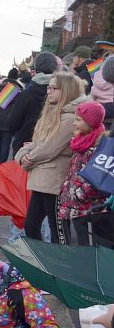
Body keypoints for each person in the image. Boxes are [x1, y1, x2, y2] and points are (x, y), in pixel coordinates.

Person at [15, 73, 85, 242]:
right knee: (31, 226)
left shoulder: (70, 119)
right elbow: (36, 142)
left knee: (58, 231)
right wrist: (22, 155)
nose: (49, 92)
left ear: (67, 91)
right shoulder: (51, 114)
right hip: (42, 179)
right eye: (49, 87)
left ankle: (58, 266)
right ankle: (43, 262)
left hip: (55, 182)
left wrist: (28, 158)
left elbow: (50, 148)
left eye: (54, 88)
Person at [57, 101, 109, 244]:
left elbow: (97, 179)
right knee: (77, 245)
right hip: (74, 204)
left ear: (90, 122)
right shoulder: (80, 141)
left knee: (87, 247)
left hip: (87, 208)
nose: (74, 123)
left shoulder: (98, 147)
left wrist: (79, 193)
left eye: (78, 120)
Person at [7, 52, 58, 158]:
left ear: (36, 68)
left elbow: (12, 122)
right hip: (51, 150)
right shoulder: (64, 93)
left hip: (24, 148)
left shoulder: (26, 93)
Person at [0, 68, 24, 164]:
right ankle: (1, 164)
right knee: (5, 143)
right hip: (8, 121)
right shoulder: (17, 90)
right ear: (17, 77)